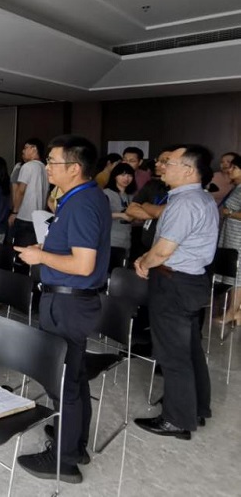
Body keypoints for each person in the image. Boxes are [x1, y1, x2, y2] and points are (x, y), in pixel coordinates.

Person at [14, 135, 110, 485]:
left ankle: (64, 460)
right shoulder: (83, 197)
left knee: (65, 381)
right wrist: (47, 248)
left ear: (74, 167)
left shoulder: (82, 203)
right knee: (75, 375)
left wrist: (40, 256)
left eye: (53, 161)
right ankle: (74, 442)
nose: (48, 167)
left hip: (69, 302)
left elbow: (84, 265)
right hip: (70, 300)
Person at [133, 144, 218, 440]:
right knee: (190, 349)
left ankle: (176, 420)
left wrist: (144, 263)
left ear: (189, 170)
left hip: (174, 283)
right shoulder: (201, 198)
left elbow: (164, 251)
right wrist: (148, 259)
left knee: (172, 354)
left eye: (169, 162)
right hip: (190, 281)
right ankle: (196, 407)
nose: (162, 166)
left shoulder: (185, 203)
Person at [216, 154, 241, 325]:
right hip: (231, 235)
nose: (230, 170)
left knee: (238, 274)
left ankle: (233, 311)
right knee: (232, 273)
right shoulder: (237, 187)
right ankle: (235, 312)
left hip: (238, 238)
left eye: (234, 167)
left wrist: (230, 213)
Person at [10, 138, 48, 248]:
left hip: (25, 217)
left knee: (20, 250)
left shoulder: (28, 166)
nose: (23, 151)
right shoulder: (45, 168)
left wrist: (14, 212)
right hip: (40, 217)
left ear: (34, 149)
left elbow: (21, 191)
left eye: (26, 148)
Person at [102, 162, 137, 255]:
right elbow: (100, 214)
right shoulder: (106, 193)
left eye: (130, 175)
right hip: (110, 240)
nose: (126, 178)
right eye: (122, 175)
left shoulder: (131, 195)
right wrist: (121, 215)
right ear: (115, 176)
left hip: (126, 240)